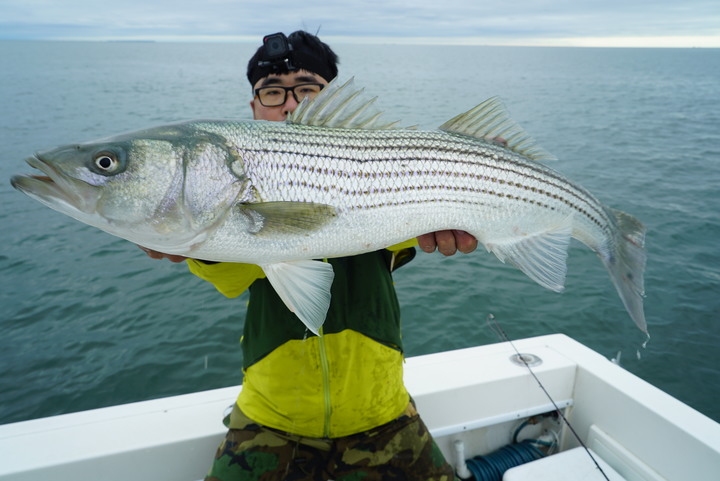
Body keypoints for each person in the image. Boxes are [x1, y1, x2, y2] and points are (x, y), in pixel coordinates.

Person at [142, 30, 477, 481]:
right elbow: (230, 272)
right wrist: (185, 233)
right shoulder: (230, 187)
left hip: (384, 413)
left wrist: (456, 213)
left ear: (331, 98)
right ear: (253, 108)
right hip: (270, 418)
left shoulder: (387, 166)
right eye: (272, 92)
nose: (289, 104)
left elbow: (405, 232)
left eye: (307, 88)